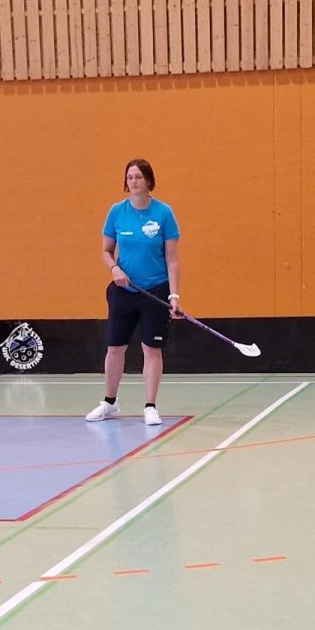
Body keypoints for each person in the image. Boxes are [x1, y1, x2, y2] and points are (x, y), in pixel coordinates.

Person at [88, 158, 181, 428]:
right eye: (130, 177)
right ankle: (109, 402)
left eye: (138, 177)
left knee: (151, 349)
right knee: (115, 348)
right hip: (123, 291)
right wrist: (115, 268)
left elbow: (172, 259)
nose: (134, 181)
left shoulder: (164, 213)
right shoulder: (117, 212)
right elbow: (106, 251)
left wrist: (174, 296)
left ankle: (150, 405)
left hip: (155, 290)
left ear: (149, 181)